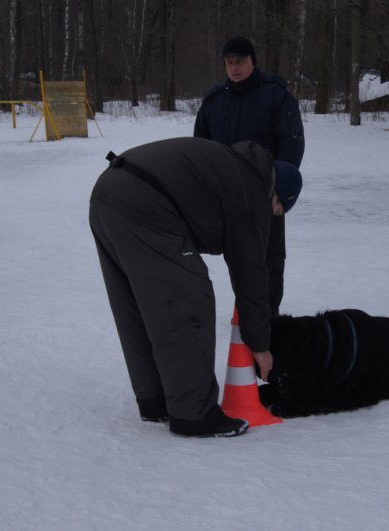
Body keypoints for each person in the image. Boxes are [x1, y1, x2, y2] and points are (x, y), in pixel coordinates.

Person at [89, 137, 302, 438]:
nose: (274, 218)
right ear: (277, 195)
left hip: (106, 195)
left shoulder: (235, 168)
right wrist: (261, 345)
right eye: (279, 211)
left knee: (137, 305)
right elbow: (251, 277)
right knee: (187, 302)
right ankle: (194, 413)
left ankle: (155, 401)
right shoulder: (252, 193)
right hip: (148, 203)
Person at [194, 36, 305, 317]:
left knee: (269, 258)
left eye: (240, 61)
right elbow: (200, 148)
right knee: (238, 256)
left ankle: (267, 316)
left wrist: (280, 188)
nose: (235, 68)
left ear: (253, 61)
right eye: (229, 62)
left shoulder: (276, 95)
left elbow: (292, 144)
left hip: (266, 194)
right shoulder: (214, 101)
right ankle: (246, 308)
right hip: (227, 195)